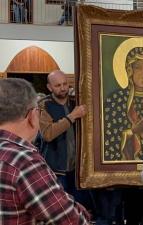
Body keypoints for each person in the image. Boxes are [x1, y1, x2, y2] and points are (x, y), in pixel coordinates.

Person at [0, 78, 90, 224]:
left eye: (65, 83)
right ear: (31, 116)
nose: (62, 88)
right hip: (59, 167)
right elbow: (72, 219)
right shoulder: (24, 161)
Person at [39, 70, 91, 209]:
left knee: (79, 208)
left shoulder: (76, 102)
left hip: (78, 169)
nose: (63, 88)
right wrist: (72, 116)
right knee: (59, 208)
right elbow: (47, 134)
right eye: (57, 85)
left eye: (65, 84)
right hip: (56, 169)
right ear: (49, 87)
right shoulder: (44, 105)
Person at [104, 47, 143, 161]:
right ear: (129, 70)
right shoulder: (116, 100)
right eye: (138, 68)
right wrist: (132, 131)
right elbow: (109, 137)